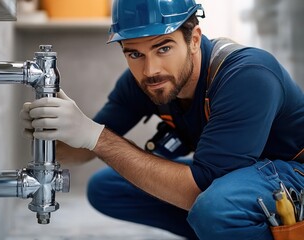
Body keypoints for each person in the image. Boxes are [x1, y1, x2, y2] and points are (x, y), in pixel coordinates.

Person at [20, 0, 304, 239]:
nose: (150, 69)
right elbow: (84, 147)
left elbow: (200, 187)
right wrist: (53, 129)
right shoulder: (144, 83)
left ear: (193, 40)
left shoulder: (247, 75)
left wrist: (96, 136)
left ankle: (221, 224)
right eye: (135, 54)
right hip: (236, 179)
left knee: (217, 206)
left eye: (163, 48)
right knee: (108, 187)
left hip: (295, 174)